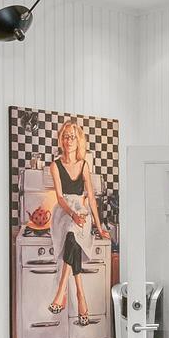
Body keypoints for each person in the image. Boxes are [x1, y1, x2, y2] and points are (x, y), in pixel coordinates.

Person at [43, 119, 107, 326]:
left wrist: (98, 226)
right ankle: (80, 294)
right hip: (64, 213)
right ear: (61, 140)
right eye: (65, 136)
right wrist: (72, 214)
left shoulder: (84, 165)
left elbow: (91, 197)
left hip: (82, 211)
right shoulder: (55, 165)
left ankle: (62, 291)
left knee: (74, 236)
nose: (69, 140)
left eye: (73, 136)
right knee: (72, 232)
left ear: (79, 141)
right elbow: (60, 198)